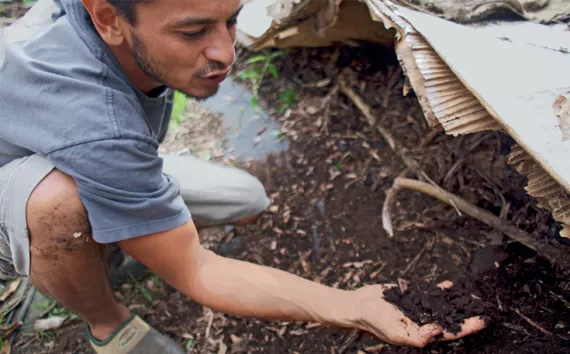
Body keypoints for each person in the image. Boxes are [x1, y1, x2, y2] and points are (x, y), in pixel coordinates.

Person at [0, 0, 486, 352]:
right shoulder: (93, 118)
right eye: (193, 33)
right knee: (57, 204)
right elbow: (198, 269)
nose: (225, 53)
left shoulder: (107, 22)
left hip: (75, 149)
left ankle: (113, 239)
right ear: (108, 18)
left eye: (230, 20)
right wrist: (352, 305)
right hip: (21, 184)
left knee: (244, 198)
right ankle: (107, 323)